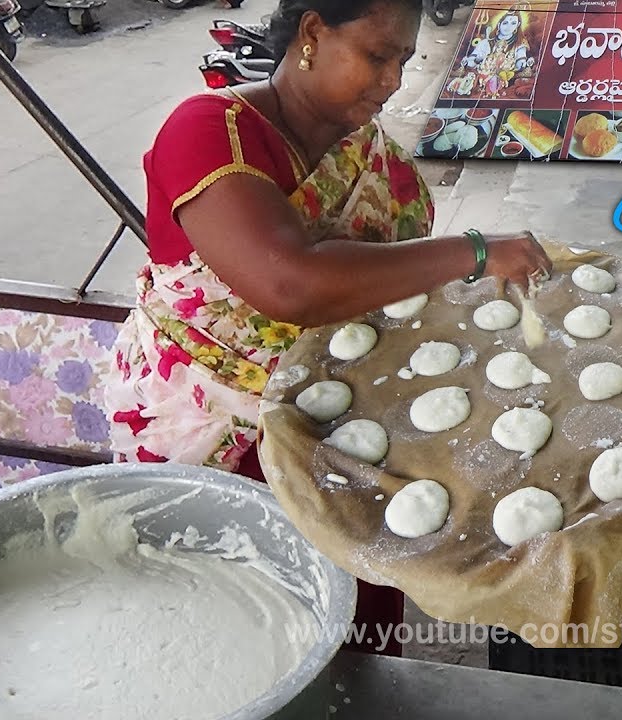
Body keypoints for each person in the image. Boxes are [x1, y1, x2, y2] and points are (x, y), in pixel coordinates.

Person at [104, 0, 551, 656]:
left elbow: (390, 289)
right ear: (312, 33)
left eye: (403, 60)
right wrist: (477, 251)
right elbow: (290, 283)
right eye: (377, 55)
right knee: (229, 638)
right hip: (211, 440)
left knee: (347, 637)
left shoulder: (375, 161)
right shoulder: (211, 130)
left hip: (338, 436)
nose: (393, 79)